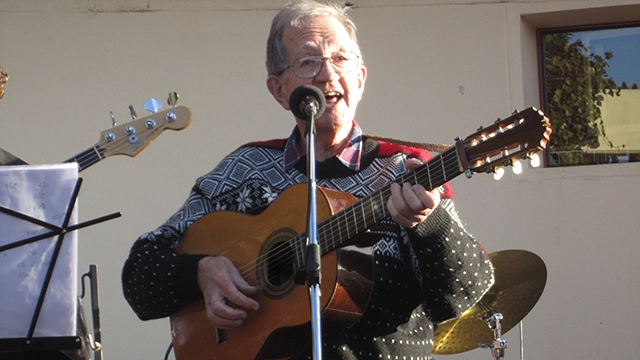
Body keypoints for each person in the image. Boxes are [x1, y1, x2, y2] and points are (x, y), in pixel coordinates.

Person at [122, 1, 494, 359]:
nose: (328, 73)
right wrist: (199, 272)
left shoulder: (405, 170)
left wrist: (431, 225)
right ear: (279, 90)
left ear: (360, 79)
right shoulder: (244, 169)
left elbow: (463, 296)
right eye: (308, 61)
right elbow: (139, 276)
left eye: (341, 58)